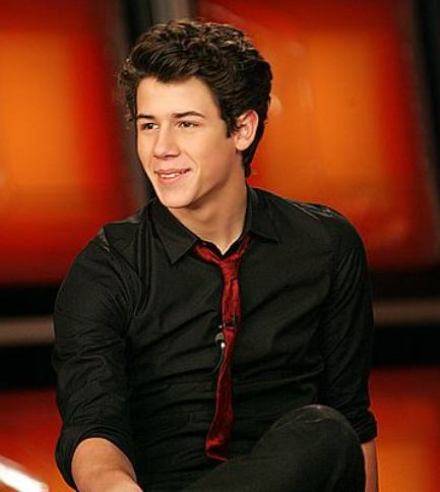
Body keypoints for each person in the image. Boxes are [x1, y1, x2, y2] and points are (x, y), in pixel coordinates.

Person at [52, 19, 378, 492]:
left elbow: (352, 421)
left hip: (292, 477)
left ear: (242, 128)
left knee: (325, 433)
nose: (161, 149)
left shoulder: (325, 245)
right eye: (148, 126)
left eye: (186, 124)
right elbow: (92, 427)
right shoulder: (106, 268)